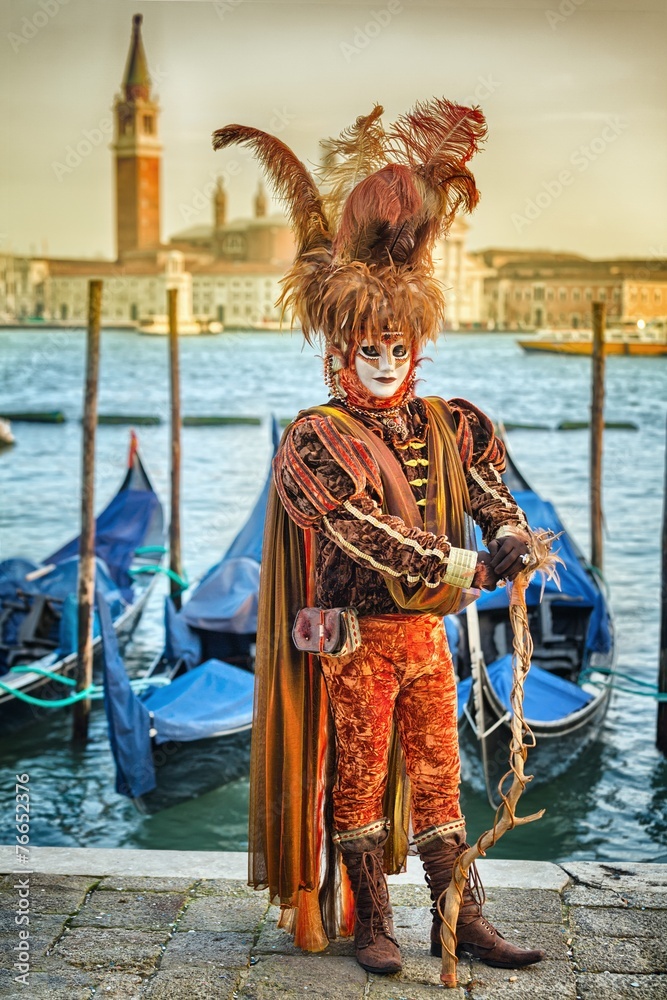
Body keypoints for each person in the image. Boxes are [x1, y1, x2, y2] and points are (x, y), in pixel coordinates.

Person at [214, 98, 546, 975]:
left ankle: (459, 917)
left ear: (416, 347)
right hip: (352, 639)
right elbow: (362, 534)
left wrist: (510, 536)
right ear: (340, 353)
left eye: (398, 348)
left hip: (424, 640)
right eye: (371, 350)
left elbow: (489, 494)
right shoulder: (314, 439)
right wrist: (464, 563)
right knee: (357, 777)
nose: (387, 363)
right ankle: (371, 922)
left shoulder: (449, 421)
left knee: (441, 775)